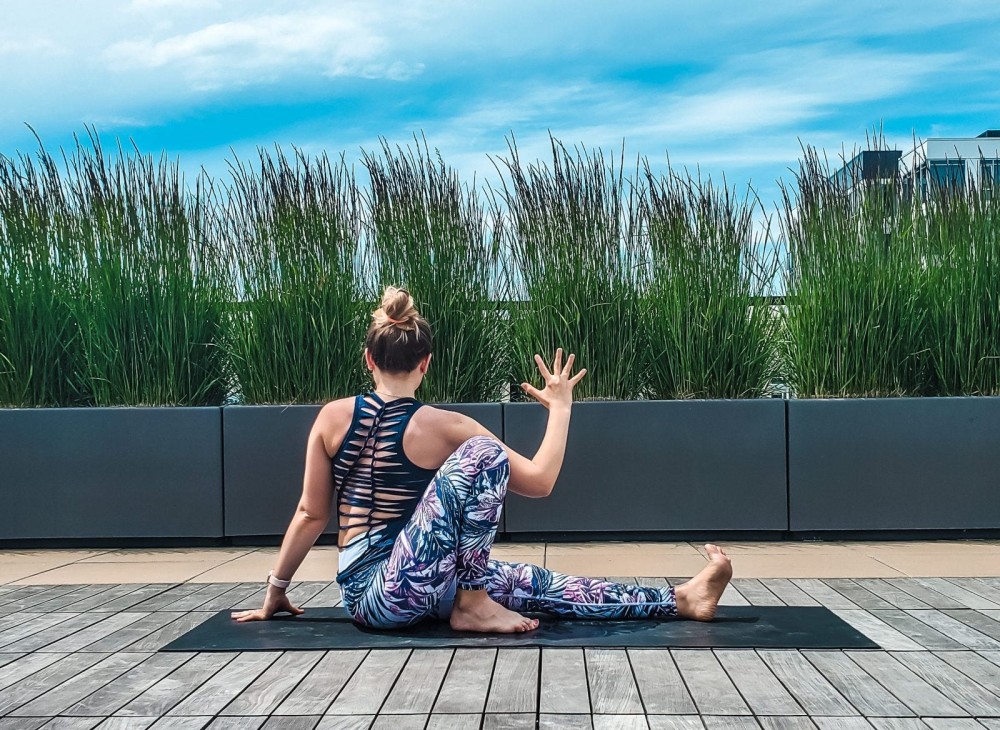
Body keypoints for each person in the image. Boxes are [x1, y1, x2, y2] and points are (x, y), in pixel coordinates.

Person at [231, 287, 733, 633]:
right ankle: (472, 604)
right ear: (425, 364)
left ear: (368, 359)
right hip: (388, 594)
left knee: (539, 585)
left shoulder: (331, 419)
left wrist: (276, 589)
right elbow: (539, 481)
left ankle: (681, 600)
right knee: (483, 451)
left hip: (394, 586)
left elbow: (310, 514)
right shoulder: (445, 426)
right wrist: (560, 409)